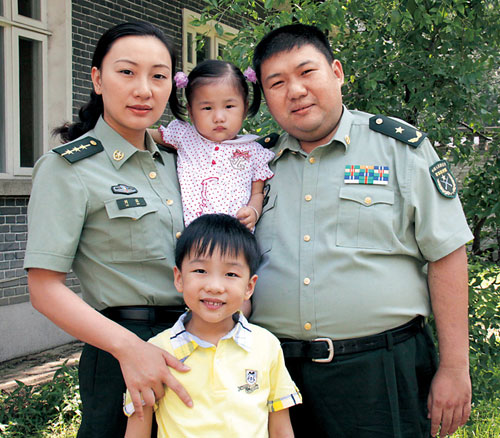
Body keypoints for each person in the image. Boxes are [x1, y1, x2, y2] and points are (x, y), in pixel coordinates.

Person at [250, 23, 473, 438]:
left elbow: (447, 253)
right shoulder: (255, 165)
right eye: (276, 83)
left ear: (336, 72)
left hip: (380, 373)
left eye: (307, 72)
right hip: (274, 375)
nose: (295, 91)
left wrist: (455, 367)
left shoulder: (398, 149)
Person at [24, 22, 193, 438]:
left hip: (197, 342)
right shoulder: (69, 169)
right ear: (98, 80)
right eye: (127, 72)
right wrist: (129, 348)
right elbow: (44, 288)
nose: (144, 90)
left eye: (158, 76)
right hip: (123, 348)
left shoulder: (181, 162)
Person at [124, 214, 302, 438]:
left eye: (231, 274)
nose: (215, 286)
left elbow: (280, 429)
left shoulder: (266, 345)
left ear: (249, 287)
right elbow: (137, 430)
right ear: (179, 278)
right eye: (200, 271)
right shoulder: (155, 351)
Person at [149, 59, 274, 230]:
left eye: (229, 106)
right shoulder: (185, 136)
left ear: (244, 108)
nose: (219, 118)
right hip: (192, 235)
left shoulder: (255, 152)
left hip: (234, 236)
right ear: (191, 112)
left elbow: (257, 192)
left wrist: (253, 211)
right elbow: (144, 133)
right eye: (207, 108)